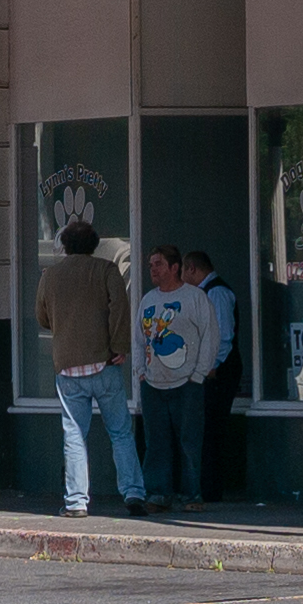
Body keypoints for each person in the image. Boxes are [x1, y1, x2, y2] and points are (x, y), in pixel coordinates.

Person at [35, 218, 146, 516]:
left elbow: (42, 317)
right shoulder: (107, 270)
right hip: (105, 362)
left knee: (73, 433)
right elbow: (119, 307)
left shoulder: (50, 276)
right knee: (120, 432)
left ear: (65, 246)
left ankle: (75, 501)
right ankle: (133, 493)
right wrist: (119, 347)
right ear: (94, 245)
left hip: (68, 366)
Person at [136, 251, 211, 507]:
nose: (153, 269)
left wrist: (198, 374)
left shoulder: (195, 297)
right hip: (153, 383)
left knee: (189, 441)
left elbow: (210, 336)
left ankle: (192, 495)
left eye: (158, 264)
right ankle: (158, 494)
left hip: (187, 383)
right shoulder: (148, 300)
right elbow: (138, 339)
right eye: (150, 264)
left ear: (175, 267)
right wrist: (140, 372)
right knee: (156, 443)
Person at [184, 246, 240, 500]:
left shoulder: (216, 293)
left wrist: (211, 367)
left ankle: (212, 489)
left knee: (212, 430)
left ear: (192, 269)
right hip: (211, 371)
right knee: (206, 430)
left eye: (184, 271)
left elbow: (223, 336)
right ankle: (205, 486)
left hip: (218, 373)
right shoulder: (207, 292)